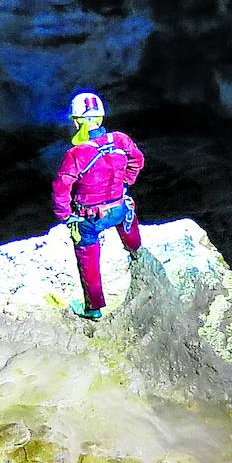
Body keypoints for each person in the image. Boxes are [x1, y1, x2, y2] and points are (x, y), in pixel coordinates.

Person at [51, 91, 144, 320]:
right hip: (118, 207)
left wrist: (64, 215)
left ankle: (93, 308)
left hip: (90, 217)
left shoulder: (77, 153)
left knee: (88, 256)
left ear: (76, 122)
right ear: (101, 119)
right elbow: (138, 160)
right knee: (128, 217)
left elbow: (61, 187)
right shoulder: (120, 140)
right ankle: (136, 251)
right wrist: (125, 183)